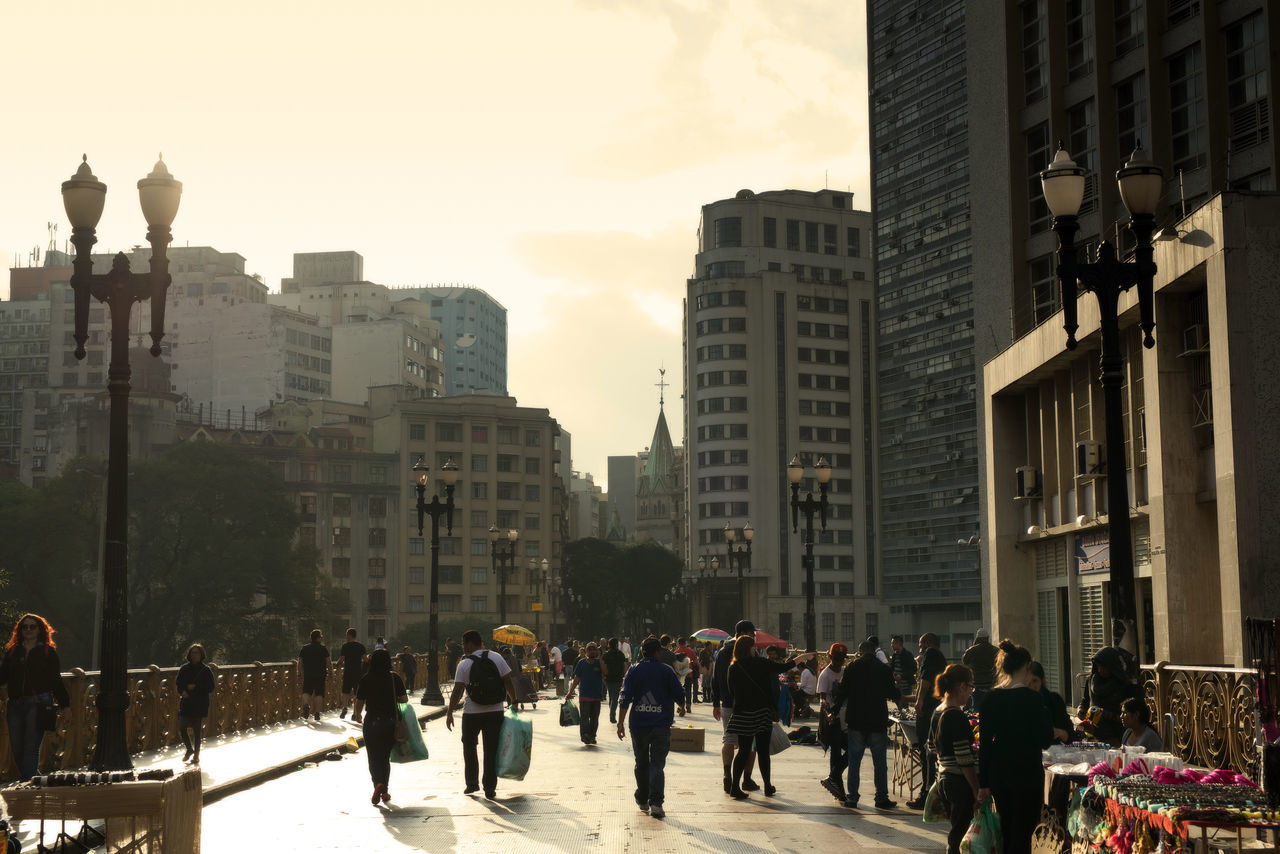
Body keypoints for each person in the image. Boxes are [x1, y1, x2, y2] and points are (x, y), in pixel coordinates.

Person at [977, 640, 1054, 854]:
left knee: (1007, 827)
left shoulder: (990, 699)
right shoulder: (1033, 699)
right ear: (1028, 666)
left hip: (1000, 772)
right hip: (1028, 771)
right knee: (1024, 831)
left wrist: (983, 782)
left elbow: (985, 744)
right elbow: (1045, 738)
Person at [726, 635, 816, 799]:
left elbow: (731, 692)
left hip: (742, 714)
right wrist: (801, 658)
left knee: (743, 751)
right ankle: (767, 785)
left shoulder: (734, 667)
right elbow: (783, 667)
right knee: (762, 751)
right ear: (750, 648)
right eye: (754, 647)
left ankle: (734, 787)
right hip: (761, 712)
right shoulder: (761, 663)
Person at [617, 636, 685, 818]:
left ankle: (642, 799)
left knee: (641, 762)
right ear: (658, 652)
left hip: (638, 724)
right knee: (657, 764)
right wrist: (682, 705)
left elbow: (624, 697)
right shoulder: (666, 670)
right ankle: (656, 803)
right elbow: (679, 693)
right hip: (661, 725)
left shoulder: (634, 670)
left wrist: (620, 722)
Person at [445, 630, 517, 799]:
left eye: (463, 644)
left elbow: (457, 690)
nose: (463, 647)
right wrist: (514, 701)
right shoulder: (497, 657)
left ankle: (471, 784)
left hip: (472, 712)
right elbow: (508, 681)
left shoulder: (464, 664)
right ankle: (490, 787)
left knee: (469, 747)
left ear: (470, 644)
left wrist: (449, 712)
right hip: (495, 710)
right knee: (491, 750)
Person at [835, 639, 904, 809]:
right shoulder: (883, 669)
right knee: (879, 762)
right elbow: (892, 693)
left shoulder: (852, 667)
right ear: (874, 651)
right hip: (877, 720)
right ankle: (881, 797)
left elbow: (842, 692)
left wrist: (833, 711)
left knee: (854, 761)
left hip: (856, 720)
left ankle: (852, 798)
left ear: (859, 652)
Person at [0, 614, 70, 781]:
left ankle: (27, 787)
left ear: (40, 630)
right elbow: (2, 677)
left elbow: (56, 681)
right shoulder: (13, 652)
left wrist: (65, 706)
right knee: (17, 748)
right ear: (20, 630)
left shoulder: (47, 652)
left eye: (32, 626)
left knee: (31, 747)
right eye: (25, 627)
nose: (28, 630)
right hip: (15, 704)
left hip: (38, 703)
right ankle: (35, 779)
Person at [930, 664, 979, 854]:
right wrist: (976, 789)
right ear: (962, 686)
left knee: (955, 829)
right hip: (959, 782)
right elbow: (964, 759)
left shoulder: (938, 711)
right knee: (959, 835)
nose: (970, 692)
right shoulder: (956, 716)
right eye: (971, 687)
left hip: (943, 779)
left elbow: (931, 747)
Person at [352, 648, 408, 805]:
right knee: (384, 757)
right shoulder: (393, 678)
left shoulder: (366, 678)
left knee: (373, 757)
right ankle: (384, 790)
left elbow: (359, 701)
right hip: (390, 722)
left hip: (372, 722)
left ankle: (377, 784)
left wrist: (358, 714)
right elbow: (404, 699)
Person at [711, 620, 760, 794]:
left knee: (728, 740)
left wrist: (716, 702)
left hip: (727, 704)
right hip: (746, 705)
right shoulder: (749, 650)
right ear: (745, 633)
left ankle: (727, 774)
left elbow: (715, 679)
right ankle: (746, 779)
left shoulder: (722, 652)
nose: (754, 636)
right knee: (750, 743)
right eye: (752, 633)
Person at [906, 632, 948, 810]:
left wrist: (919, 700)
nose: (920, 648)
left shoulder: (931, 654)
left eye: (922, 644)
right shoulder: (940, 658)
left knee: (926, 753)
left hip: (929, 711)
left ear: (930, 643)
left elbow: (926, 680)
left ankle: (926, 795)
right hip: (935, 708)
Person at [1077, 646, 1138, 745]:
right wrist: (1081, 710)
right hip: (1092, 736)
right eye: (1098, 666)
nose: (1100, 670)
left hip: (1115, 737)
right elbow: (1085, 701)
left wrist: (1107, 715)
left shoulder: (1125, 685)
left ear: (1112, 666)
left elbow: (1133, 718)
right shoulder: (1091, 681)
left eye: (1104, 667)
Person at [817, 642, 849, 802]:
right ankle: (839, 790)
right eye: (836, 659)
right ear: (830, 657)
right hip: (831, 719)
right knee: (835, 753)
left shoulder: (845, 671)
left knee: (853, 749)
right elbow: (822, 698)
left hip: (845, 718)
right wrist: (828, 712)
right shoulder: (825, 675)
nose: (839, 663)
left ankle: (833, 777)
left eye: (842, 659)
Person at [175, 643, 215, 764]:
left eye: (197, 653)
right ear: (189, 654)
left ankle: (196, 755)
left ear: (201, 654)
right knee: (182, 727)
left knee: (197, 730)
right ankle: (189, 749)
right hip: (186, 702)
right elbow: (178, 683)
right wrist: (182, 692)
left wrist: (196, 687)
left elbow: (211, 687)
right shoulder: (184, 668)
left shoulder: (206, 670)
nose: (194, 655)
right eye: (193, 652)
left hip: (199, 703)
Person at [567, 642, 606, 744]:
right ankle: (585, 735)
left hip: (596, 696)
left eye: (594, 649)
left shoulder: (599, 662)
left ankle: (592, 736)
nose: (592, 651)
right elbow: (576, 678)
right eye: (590, 649)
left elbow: (605, 672)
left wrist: (600, 657)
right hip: (584, 696)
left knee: (594, 718)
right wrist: (570, 692)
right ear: (586, 651)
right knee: (584, 717)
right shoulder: (581, 663)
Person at [1028, 661, 1072, 742]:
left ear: (1042, 680)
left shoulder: (1054, 700)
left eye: (1035, 680)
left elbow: (1069, 734)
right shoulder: (1018, 702)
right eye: (1027, 682)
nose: (1031, 686)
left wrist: (1059, 732)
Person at [298, 628, 332, 722]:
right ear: (318, 638)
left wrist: (299, 674)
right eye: (321, 637)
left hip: (308, 674)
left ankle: (305, 704)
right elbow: (328, 662)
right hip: (320, 675)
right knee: (319, 694)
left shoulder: (305, 648)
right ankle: (317, 713)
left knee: (306, 691)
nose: (321, 638)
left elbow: (300, 662)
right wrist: (330, 674)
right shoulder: (323, 648)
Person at [962, 628, 998, 711]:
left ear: (978, 638)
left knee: (976, 708)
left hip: (977, 684)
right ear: (988, 637)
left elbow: (965, 661)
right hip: (992, 683)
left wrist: (974, 645)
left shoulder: (972, 650)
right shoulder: (996, 650)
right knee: (992, 708)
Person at [338, 628, 367, 719]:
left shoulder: (345, 646)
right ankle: (355, 713)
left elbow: (341, 660)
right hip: (358, 673)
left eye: (347, 635)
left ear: (349, 635)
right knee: (356, 693)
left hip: (347, 672)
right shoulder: (360, 646)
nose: (346, 637)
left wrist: (337, 665)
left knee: (345, 691)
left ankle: (345, 707)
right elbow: (365, 659)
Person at [603, 638, 628, 723]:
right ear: (617, 644)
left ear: (609, 645)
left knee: (611, 696)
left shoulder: (606, 655)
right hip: (618, 678)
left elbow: (604, 666)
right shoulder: (620, 654)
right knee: (615, 697)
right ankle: (612, 714)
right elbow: (625, 666)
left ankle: (612, 712)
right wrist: (625, 676)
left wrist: (604, 676)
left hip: (608, 678)